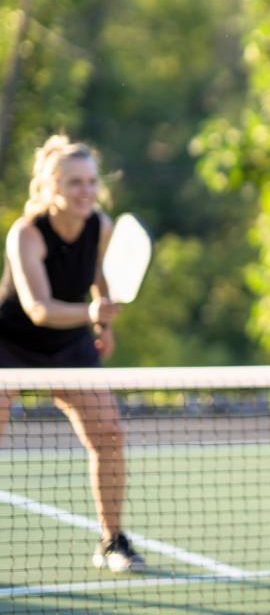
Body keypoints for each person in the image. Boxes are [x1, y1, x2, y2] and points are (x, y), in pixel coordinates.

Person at [0, 135, 144, 573]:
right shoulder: (26, 233)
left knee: (109, 435)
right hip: (10, 346)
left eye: (91, 182)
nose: (86, 191)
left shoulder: (101, 226)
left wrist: (103, 325)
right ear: (50, 187)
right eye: (74, 182)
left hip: (70, 345)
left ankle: (112, 541)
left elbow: (100, 275)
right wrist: (93, 313)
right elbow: (39, 309)